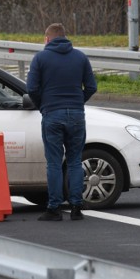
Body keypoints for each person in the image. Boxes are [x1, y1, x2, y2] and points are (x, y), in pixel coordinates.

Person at [26, 23, 97, 221]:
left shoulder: (40, 58)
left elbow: (31, 88)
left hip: (52, 114)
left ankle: (54, 208)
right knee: (75, 161)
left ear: (47, 39)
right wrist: (77, 102)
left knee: (54, 163)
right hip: (76, 115)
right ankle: (76, 207)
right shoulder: (80, 57)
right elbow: (91, 86)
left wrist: (44, 105)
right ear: (65, 37)